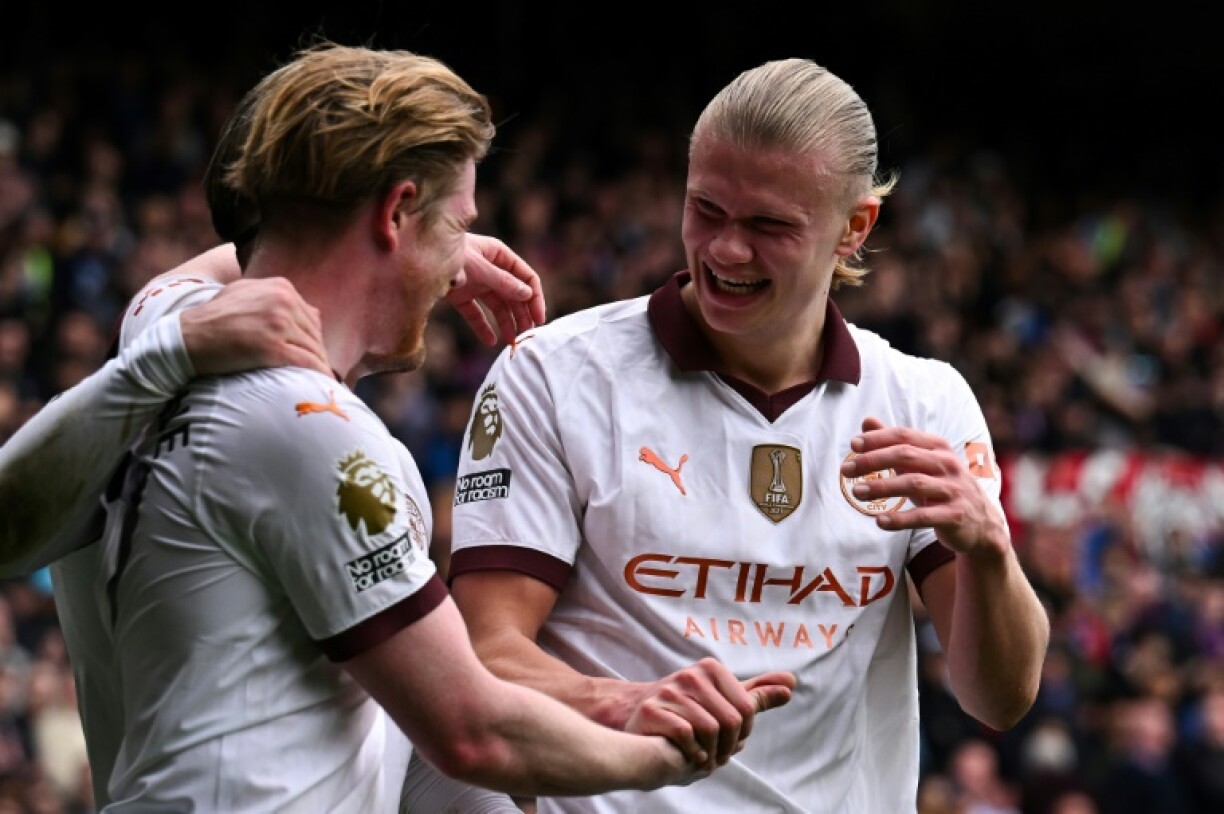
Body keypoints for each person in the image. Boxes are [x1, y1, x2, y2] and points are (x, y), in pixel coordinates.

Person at [18, 41, 802, 812]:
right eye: (458, 222)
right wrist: (658, 753)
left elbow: (409, 743)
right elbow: (469, 731)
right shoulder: (314, 435)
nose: (463, 256)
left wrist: (438, 246)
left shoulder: (172, 331)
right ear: (396, 211)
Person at [442, 57, 1052, 813]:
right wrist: (620, 703)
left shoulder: (921, 402)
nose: (727, 250)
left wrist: (989, 551)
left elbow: (1000, 700)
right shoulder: (554, 374)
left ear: (854, 227)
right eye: (706, 210)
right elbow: (486, 653)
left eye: (769, 226)